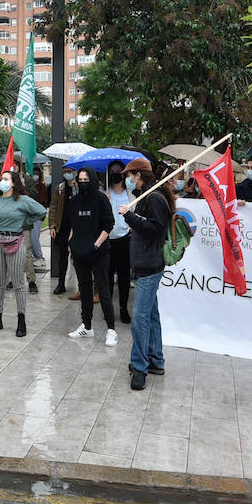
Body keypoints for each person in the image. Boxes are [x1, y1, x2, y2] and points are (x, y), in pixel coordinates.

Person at [119, 157, 170, 390]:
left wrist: (130, 217)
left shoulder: (154, 199)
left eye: (128, 176)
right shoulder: (145, 198)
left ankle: (139, 367)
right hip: (144, 264)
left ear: (138, 176)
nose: (127, 180)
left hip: (150, 266)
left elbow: (156, 230)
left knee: (139, 317)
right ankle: (156, 360)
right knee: (150, 315)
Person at [0, 169, 47, 336]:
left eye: (5, 178)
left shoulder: (23, 200)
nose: (2, 181)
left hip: (16, 242)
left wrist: (25, 221)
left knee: (18, 283)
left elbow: (41, 211)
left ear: (13, 183)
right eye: (1, 179)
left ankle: (21, 320)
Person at [67, 167, 117, 346]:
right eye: (80, 179)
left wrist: (96, 244)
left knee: (103, 290)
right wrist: (71, 243)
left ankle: (111, 329)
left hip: (99, 252)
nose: (82, 182)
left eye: (86, 179)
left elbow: (109, 224)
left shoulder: (101, 198)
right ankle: (86, 326)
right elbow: (73, 224)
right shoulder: (74, 201)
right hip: (79, 253)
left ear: (93, 179)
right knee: (85, 290)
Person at [106, 165, 134, 324]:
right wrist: (105, 199)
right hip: (108, 239)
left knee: (124, 277)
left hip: (125, 239)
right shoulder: (105, 192)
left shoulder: (130, 194)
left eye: (118, 172)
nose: (115, 174)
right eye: (113, 172)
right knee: (107, 276)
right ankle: (108, 308)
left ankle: (123, 308)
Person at [48, 166, 76, 294]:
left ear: (75, 172)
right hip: (62, 227)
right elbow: (53, 207)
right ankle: (61, 283)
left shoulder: (80, 187)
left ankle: (81, 286)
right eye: (65, 172)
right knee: (62, 257)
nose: (67, 174)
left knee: (78, 257)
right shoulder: (60, 188)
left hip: (77, 228)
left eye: (69, 172)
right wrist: (52, 225)